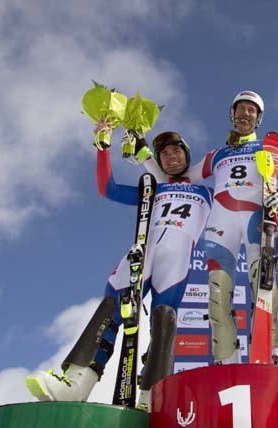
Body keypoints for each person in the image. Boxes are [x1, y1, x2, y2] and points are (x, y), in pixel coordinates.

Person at [26, 127, 211, 409]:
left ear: (187, 156)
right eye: (164, 154)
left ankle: (153, 397)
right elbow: (107, 189)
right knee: (110, 309)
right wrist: (103, 148)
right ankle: (76, 383)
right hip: (143, 252)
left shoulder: (206, 191)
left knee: (164, 321)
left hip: (175, 262)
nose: (171, 157)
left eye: (176, 152)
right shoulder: (153, 188)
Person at [185, 91, 278, 364]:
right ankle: (226, 359)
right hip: (221, 222)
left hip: (256, 219)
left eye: (251, 110)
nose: (245, 114)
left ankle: (265, 355)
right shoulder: (216, 154)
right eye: (241, 109)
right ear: (232, 114)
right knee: (217, 293)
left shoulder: (269, 147)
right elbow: (181, 177)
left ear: (258, 118)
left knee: (264, 286)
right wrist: (143, 154)